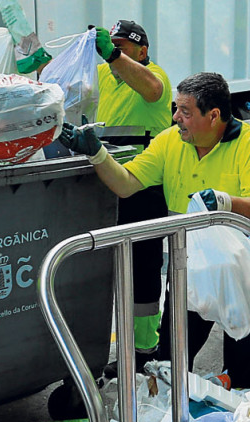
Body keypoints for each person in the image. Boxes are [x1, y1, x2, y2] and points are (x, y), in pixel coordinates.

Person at [59, 72, 250, 389]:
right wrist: (96, 153)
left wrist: (225, 201)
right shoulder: (169, 141)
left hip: (245, 268)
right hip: (190, 265)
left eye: (185, 112)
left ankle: (242, 419)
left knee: (245, 368)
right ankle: (175, 420)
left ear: (214, 115)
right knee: (171, 360)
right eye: (176, 109)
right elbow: (126, 184)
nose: (176, 117)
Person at [91, 20, 173, 378]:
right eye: (113, 47)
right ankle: (121, 349)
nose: (116, 54)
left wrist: (113, 55)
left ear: (142, 51)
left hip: (144, 187)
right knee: (111, 270)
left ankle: (145, 350)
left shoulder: (155, 76)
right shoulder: (105, 74)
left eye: (124, 47)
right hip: (107, 185)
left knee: (142, 270)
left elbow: (152, 89)